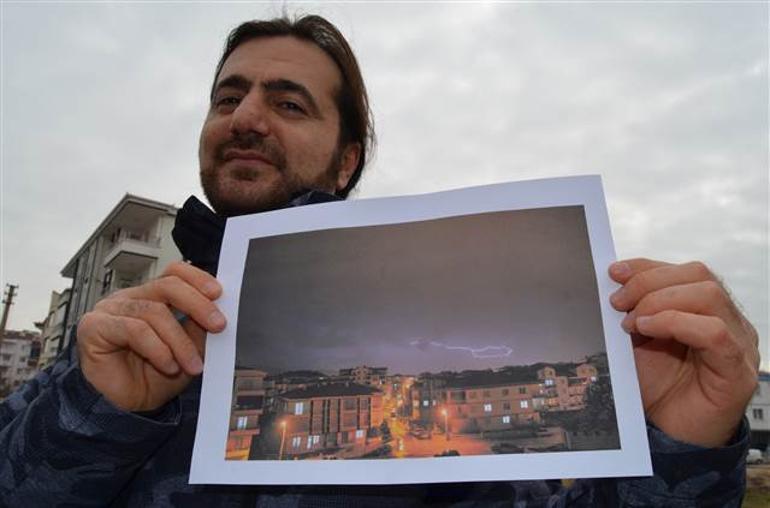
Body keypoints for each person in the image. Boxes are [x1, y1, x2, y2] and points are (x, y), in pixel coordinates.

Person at [0, 14, 759, 507]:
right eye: (227, 98)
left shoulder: (423, 400)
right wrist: (96, 413)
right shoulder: (123, 339)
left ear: (346, 161)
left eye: (288, 103)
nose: (247, 117)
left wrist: (681, 445)